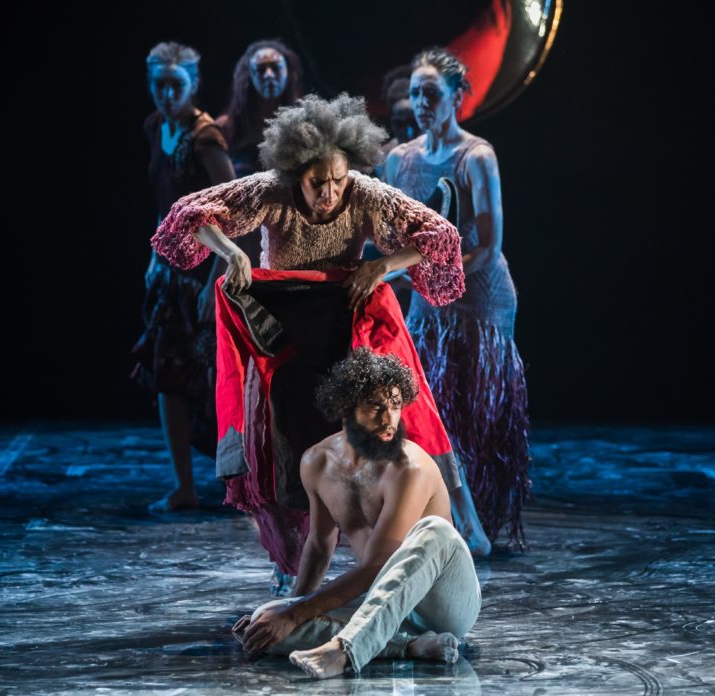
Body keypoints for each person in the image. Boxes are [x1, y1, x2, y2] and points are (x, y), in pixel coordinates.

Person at [151, 93, 467, 594]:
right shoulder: (270, 191)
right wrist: (231, 249)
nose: (329, 192)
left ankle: (390, 536)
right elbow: (190, 214)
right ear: (296, 170)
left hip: (342, 322)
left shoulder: (364, 193)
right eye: (318, 182)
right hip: (283, 330)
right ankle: (289, 562)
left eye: (338, 180)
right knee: (286, 440)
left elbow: (439, 234)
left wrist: (383, 264)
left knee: (365, 430)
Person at [233, 349, 481, 679]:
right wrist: (291, 608)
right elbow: (320, 545)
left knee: (434, 529)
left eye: (395, 406)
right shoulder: (317, 462)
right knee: (266, 616)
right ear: (345, 408)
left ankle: (346, 651)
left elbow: (379, 563)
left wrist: (296, 614)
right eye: (376, 407)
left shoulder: (410, 467)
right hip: (382, 605)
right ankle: (409, 646)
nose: (389, 419)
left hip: (442, 603)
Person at [386, 48, 530, 553]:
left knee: (476, 414)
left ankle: (477, 519)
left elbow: (488, 245)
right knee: (432, 409)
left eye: (431, 94)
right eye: (415, 94)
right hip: (429, 302)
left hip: (481, 300)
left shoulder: (477, 156)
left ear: (456, 98)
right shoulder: (399, 161)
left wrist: (432, 273)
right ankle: (452, 517)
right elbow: (389, 237)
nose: (421, 103)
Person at [130, 42, 235, 512]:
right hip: (170, 273)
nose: (167, 93)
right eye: (159, 85)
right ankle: (184, 486)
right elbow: (163, 203)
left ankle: (242, 484)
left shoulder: (205, 139)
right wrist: (156, 251)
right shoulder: (156, 127)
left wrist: (218, 280)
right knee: (167, 375)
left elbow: (234, 213)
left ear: (194, 84)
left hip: (203, 274)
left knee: (215, 381)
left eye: (176, 85)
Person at [216, 39, 304, 179]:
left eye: (275, 67)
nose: (269, 75)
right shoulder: (226, 127)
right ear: (249, 75)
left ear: (288, 72)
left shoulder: (304, 125)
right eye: (260, 69)